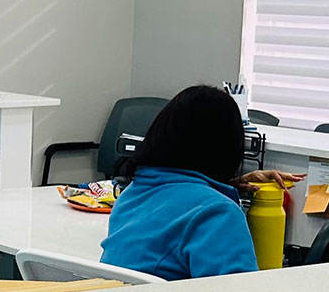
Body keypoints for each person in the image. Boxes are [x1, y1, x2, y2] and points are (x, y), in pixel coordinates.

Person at [99, 86, 304, 281]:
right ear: (226, 149)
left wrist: (227, 185)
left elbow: (176, 205)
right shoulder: (217, 213)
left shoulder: (129, 197)